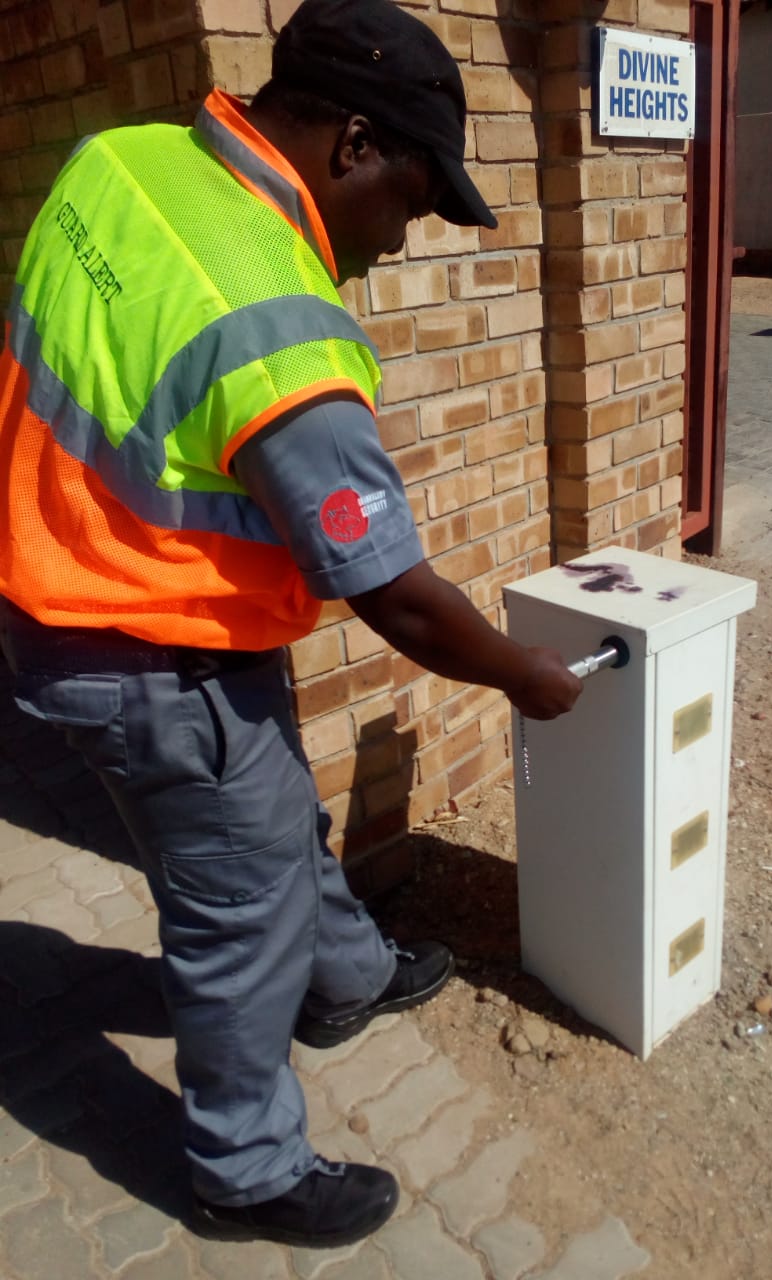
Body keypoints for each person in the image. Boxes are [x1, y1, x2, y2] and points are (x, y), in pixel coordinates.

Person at [0, 0, 581, 1251]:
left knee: (268, 817)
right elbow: (395, 593)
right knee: (235, 910)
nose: (398, 241)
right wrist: (523, 673)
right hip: (148, 649)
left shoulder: (122, 163)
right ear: (353, 145)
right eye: (409, 202)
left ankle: (350, 975)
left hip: (71, 589)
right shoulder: (280, 327)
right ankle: (245, 1167)